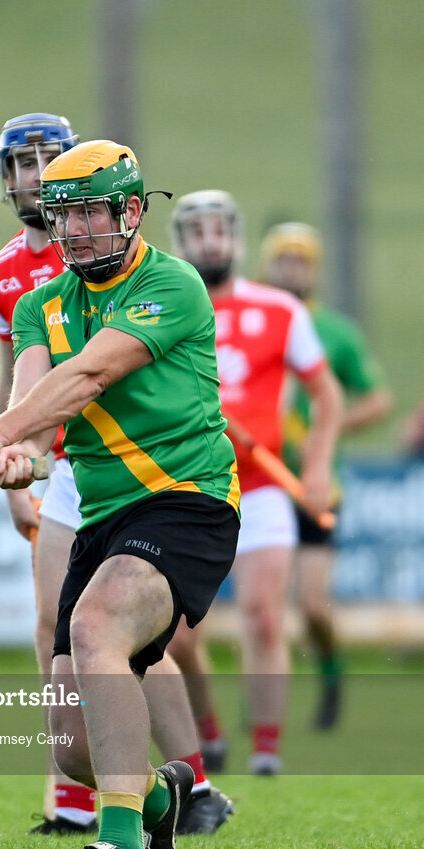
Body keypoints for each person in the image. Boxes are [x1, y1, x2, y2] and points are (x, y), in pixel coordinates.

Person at [0, 140, 241, 849]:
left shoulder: (170, 286)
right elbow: (37, 405)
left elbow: (88, 375)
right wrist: (20, 456)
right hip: (104, 515)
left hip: (184, 499)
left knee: (96, 622)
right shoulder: (37, 305)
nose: (73, 230)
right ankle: (154, 798)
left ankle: (121, 843)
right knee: (73, 748)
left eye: (89, 212)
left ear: (131, 211)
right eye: (62, 214)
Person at [166, 192, 342, 775]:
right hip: (192, 484)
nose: (210, 241)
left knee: (265, 614)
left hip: (263, 485)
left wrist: (315, 468)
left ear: (236, 238)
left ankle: (267, 748)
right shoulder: (161, 308)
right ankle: (210, 734)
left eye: (220, 230)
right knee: (181, 634)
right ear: (180, 241)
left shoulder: (280, 311)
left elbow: (327, 396)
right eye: (197, 232)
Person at [258, 222, 392, 729]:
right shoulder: (250, 320)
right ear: (266, 265)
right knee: (263, 606)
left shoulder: (335, 332)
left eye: (301, 260)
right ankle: (265, 702)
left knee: (312, 605)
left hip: (315, 484)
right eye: (282, 259)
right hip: (258, 481)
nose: (291, 269)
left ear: (314, 270)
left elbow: (378, 398)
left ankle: (332, 674)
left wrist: (326, 431)